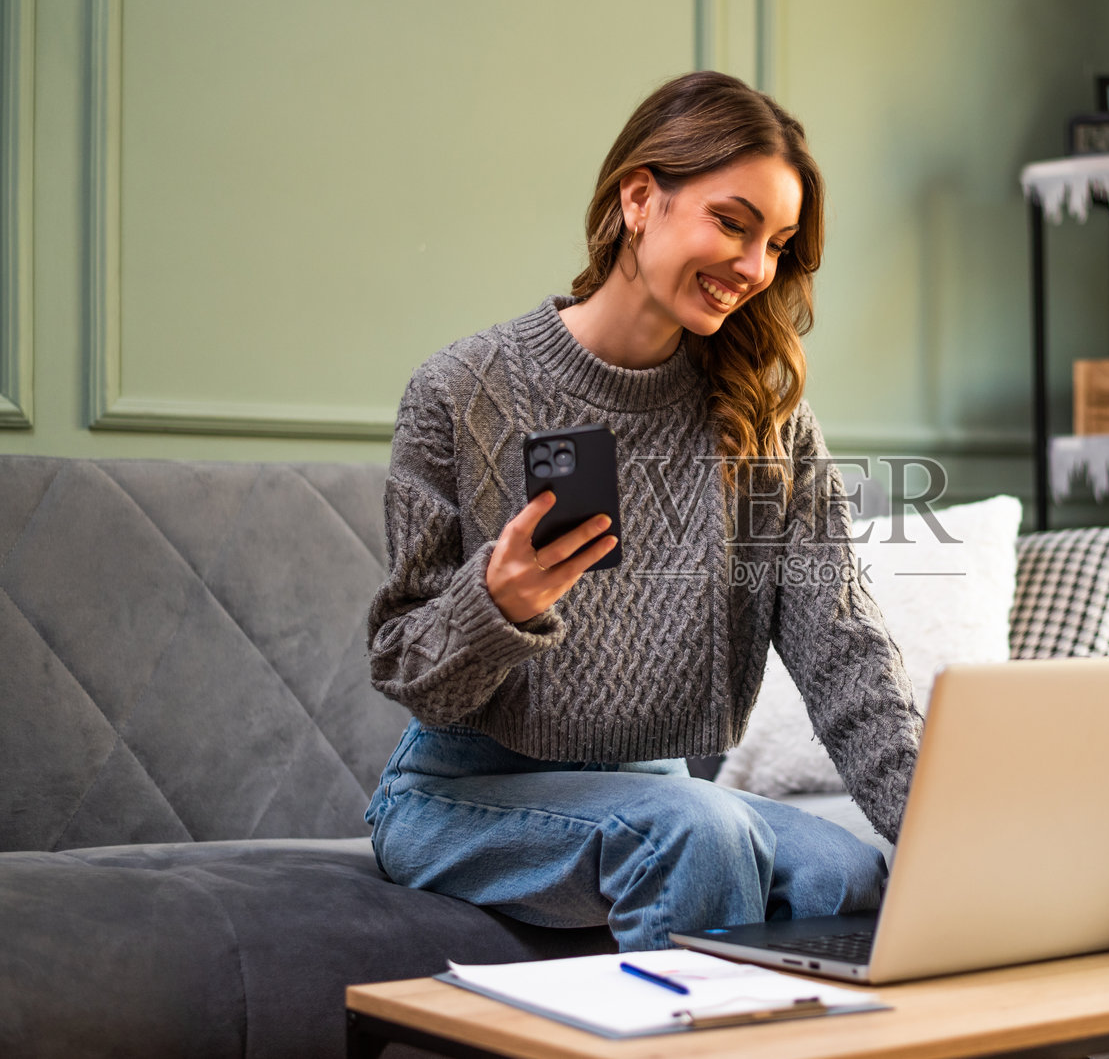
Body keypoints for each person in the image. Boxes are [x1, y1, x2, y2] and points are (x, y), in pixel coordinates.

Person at [363, 71, 924, 953]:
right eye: (732, 223)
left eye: (777, 243)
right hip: (461, 793)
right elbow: (402, 665)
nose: (753, 267)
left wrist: (944, 832)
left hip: (655, 791)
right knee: (697, 833)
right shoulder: (461, 390)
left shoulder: (765, 417)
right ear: (639, 199)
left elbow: (845, 652)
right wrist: (495, 606)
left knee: (849, 874)